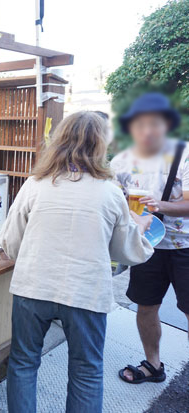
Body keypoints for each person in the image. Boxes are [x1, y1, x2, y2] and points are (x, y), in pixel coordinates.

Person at [0, 111, 154, 413]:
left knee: (23, 363)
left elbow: (11, 242)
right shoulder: (111, 193)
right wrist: (141, 230)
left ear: (59, 140)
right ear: (100, 144)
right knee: (86, 372)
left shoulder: (35, 184)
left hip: (33, 286)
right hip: (86, 292)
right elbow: (128, 253)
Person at [111, 93, 188, 384]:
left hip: (184, 245)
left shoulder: (184, 154)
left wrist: (160, 205)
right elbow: (111, 197)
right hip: (146, 244)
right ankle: (153, 365)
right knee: (146, 305)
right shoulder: (122, 161)